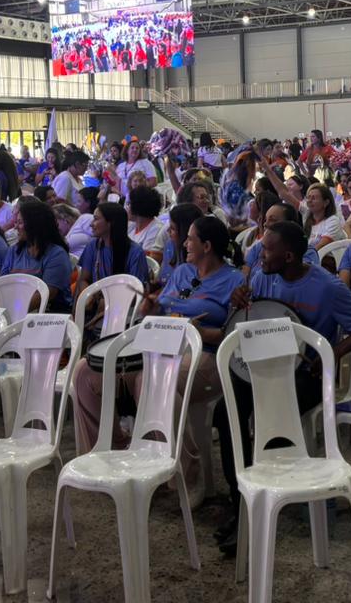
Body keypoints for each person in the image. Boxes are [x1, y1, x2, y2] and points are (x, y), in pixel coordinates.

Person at [214, 221, 351, 555]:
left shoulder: (327, 287)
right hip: (267, 370)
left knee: (269, 417)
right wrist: (238, 300)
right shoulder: (262, 276)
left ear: (288, 256)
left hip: (306, 376)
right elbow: (252, 316)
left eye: (267, 249)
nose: (259, 254)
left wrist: (332, 353)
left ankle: (260, 507)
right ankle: (240, 498)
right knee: (225, 411)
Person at [72, 215, 239, 503]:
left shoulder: (234, 281)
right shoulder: (184, 272)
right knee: (85, 372)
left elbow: (232, 333)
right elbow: (162, 308)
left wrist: (200, 332)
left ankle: (186, 471)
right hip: (159, 348)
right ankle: (113, 453)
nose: (184, 244)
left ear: (207, 246)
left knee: (150, 379)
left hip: (205, 355)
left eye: (190, 239)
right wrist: (149, 308)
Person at [0, 198, 73, 312]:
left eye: (20, 222)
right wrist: (3, 310)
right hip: (14, 310)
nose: (15, 227)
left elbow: (47, 293)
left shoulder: (56, 255)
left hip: (48, 315)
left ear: (34, 225)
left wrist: (14, 311)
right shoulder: (14, 251)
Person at [78, 201, 150, 285]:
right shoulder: (92, 245)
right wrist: (91, 294)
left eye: (96, 219)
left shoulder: (135, 252)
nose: (91, 224)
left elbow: (137, 288)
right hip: (95, 293)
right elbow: (83, 280)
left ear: (111, 223)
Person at [157, 203, 203, 287]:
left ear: (185, 231)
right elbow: (163, 281)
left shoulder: (198, 257)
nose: (168, 231)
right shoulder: (170, 245)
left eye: (172, 228)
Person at [126, 185, 166, 260]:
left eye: (129, 204)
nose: (127, 208)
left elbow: (145, 259)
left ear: (138, 207)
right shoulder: (132, 225)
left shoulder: (156, 229)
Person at [301, 182, 343, 248]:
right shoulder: (307, 220)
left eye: (313, 198)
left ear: (326, 202)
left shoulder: (333, 221)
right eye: (308, 197)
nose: (309, 201)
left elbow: (321, 247)